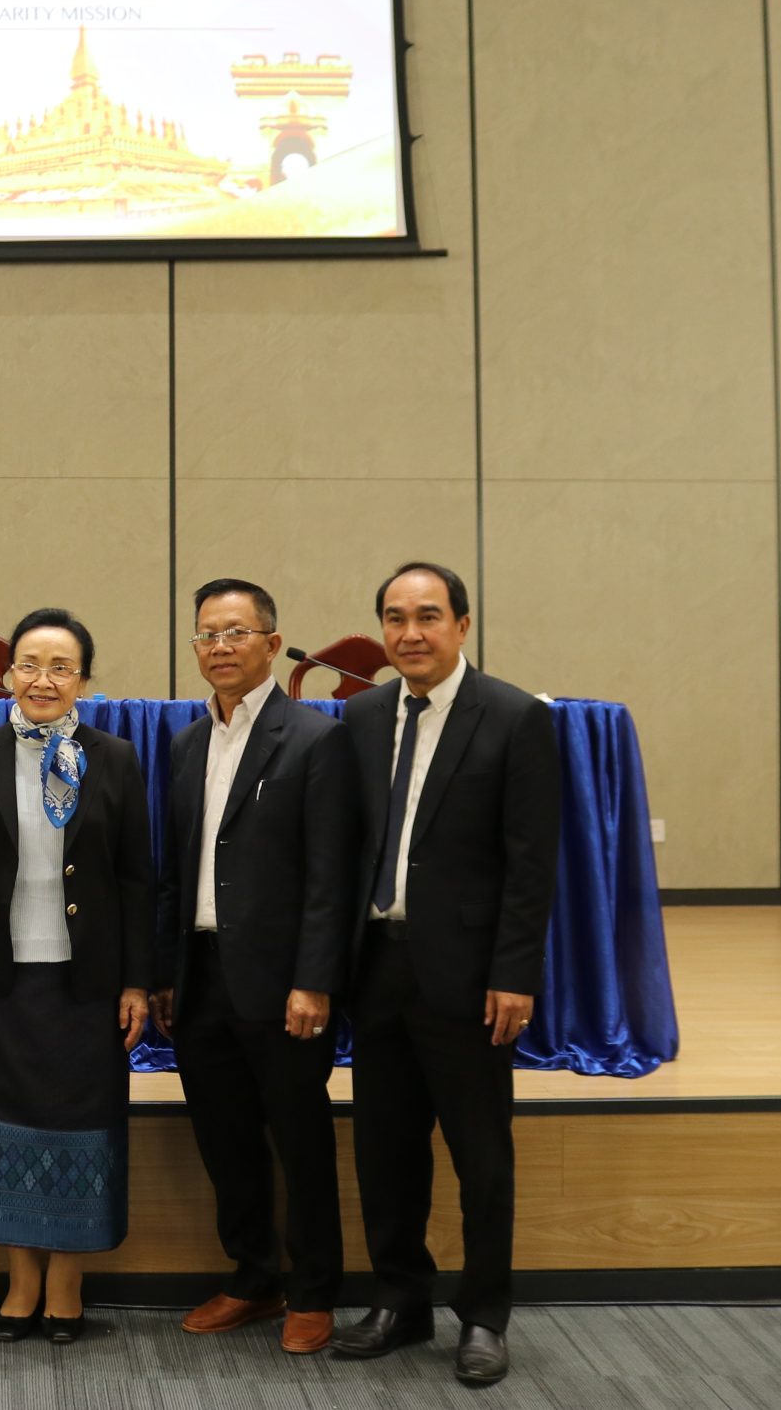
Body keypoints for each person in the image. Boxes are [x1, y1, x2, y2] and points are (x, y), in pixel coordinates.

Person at [328, 562, 557, 1388]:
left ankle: (485, 1314)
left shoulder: (516, 717)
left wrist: (514, 972)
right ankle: (401, 1298)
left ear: (462, 624)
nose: (410, 632)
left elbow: (531, 863)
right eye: (395, 617)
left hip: (469, 979)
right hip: (378, 968)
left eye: (428, 616)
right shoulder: (361, 715)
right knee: (386, 1152)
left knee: (480, 1158)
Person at [0, 606, 152, 1344]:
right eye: (29, 664)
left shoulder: (115, 757)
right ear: (8, 675)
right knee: (6, 1131)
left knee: (79, 1130)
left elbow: (137, 878)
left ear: (84, 678)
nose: (43, 680)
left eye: (61, 667)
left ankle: (68, 1281)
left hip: (86, 985)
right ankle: (21, 1280)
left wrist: (136, 981)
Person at [153, 578, 351, 1355]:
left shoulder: (313, 738)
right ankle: (253, 1276)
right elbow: (176, 869)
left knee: (299, 1138)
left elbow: (330, 875)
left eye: (236, 631)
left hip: (282, 981)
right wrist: (166, 971)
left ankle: (315, 1288)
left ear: (271, 642)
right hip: (202, 974)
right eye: (208, 634)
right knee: (225, 1137)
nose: (221, 646)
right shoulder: (186, 743)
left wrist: (314, 978)